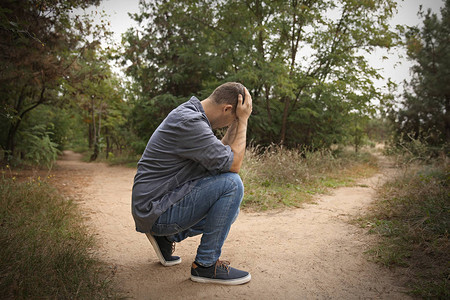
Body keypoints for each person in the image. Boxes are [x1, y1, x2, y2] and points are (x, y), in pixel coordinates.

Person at [131, 82, 253, 285]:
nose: (228, 124)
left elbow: (221, 155)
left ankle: (166, 238)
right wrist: (243, 121)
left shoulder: (190, 115)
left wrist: (236, 121)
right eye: (231, 118)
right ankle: (206, 266)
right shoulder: (190, 122)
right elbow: (234, 165)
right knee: (232, 184)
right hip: (155, 209)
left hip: (154, 205)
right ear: (227, 109)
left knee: (229, 211)